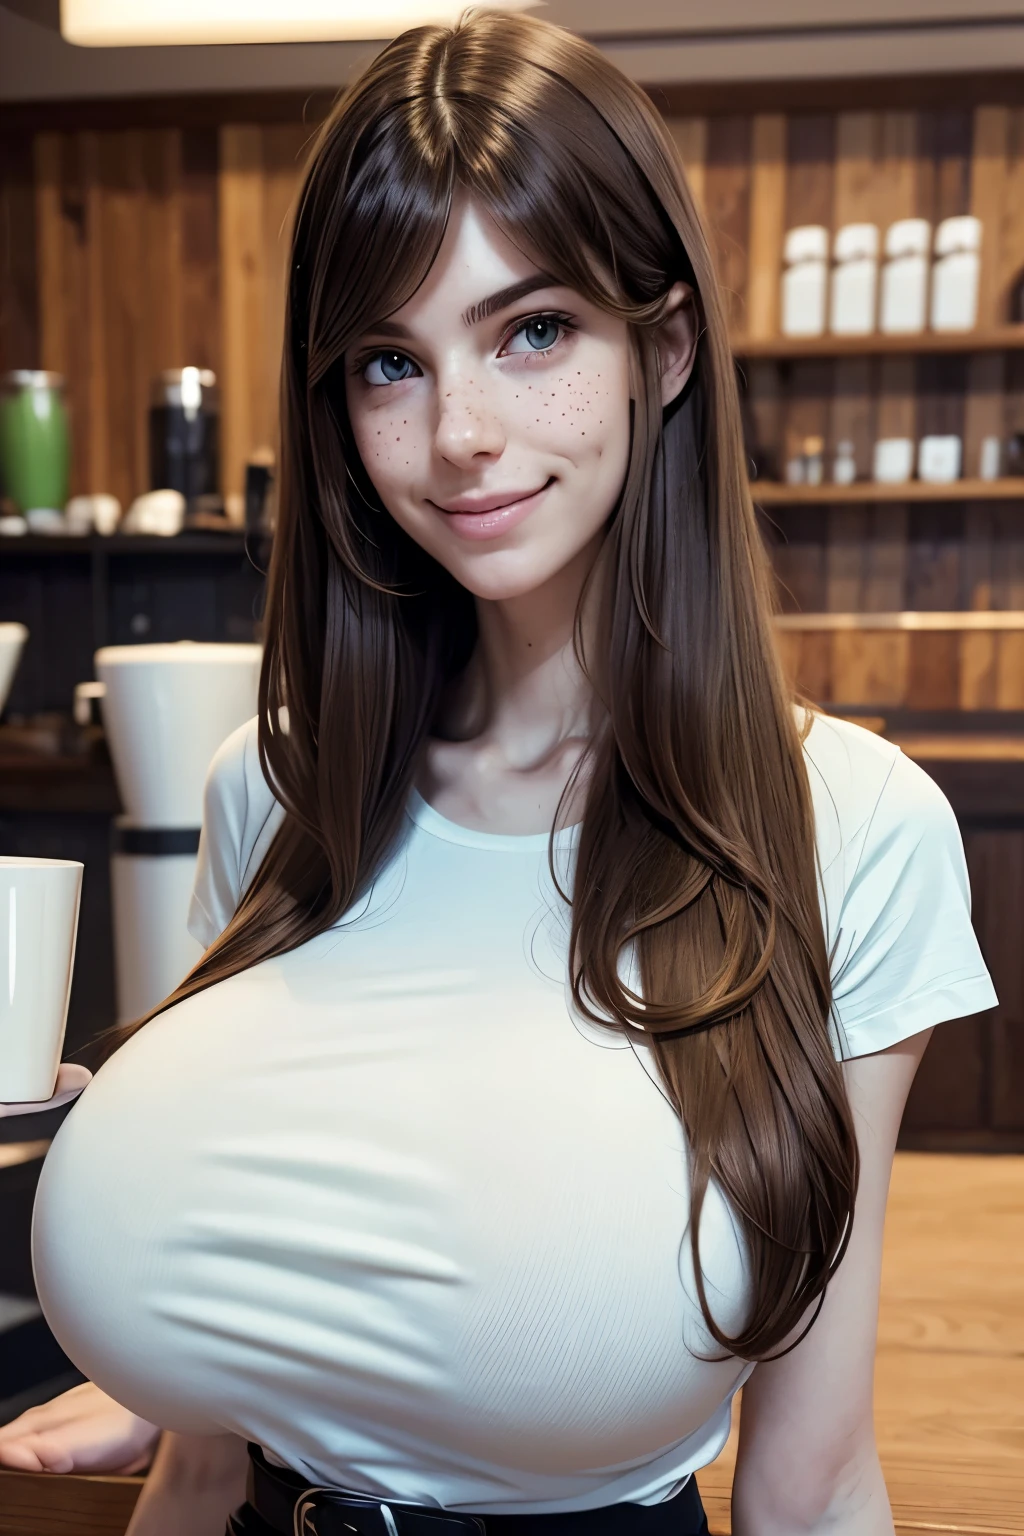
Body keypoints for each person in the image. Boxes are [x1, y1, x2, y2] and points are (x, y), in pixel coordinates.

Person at [0, 9, 998, 1535]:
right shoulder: (268, 792)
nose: (459, 435)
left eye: (533, 332)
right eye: (390, 362)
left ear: (662, 349)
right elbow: (206, 1454)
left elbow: (809, 1477)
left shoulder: (852, 829)